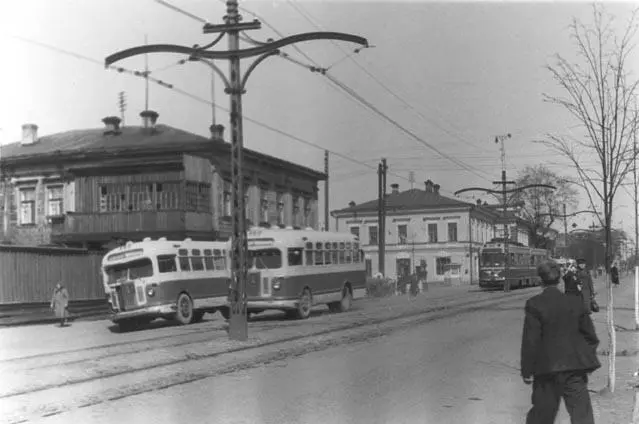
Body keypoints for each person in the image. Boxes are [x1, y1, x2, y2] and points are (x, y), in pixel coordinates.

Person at [521, 260, 600, 424]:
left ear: (539, 280)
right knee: (582, 416)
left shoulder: (534, 304)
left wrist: (527, 370)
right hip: (574, 370)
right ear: (559, 280)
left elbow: (531, 341)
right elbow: (590, 336)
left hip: (546, 371)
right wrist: (585, 359)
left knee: (541, 417)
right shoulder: (574, 302)